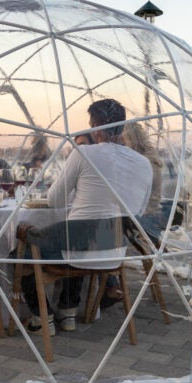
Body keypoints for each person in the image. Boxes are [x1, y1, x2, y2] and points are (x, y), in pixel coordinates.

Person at [19, 99, 153, 335]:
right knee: (75, 236)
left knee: (22, 251)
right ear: (122, 126)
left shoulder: (84, 154)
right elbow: (138, 209)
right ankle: (68, 313)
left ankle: (43, 318)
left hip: (80, 250)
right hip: (115, 251)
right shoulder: (144, 163)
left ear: (97, 127)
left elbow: (55, 201)